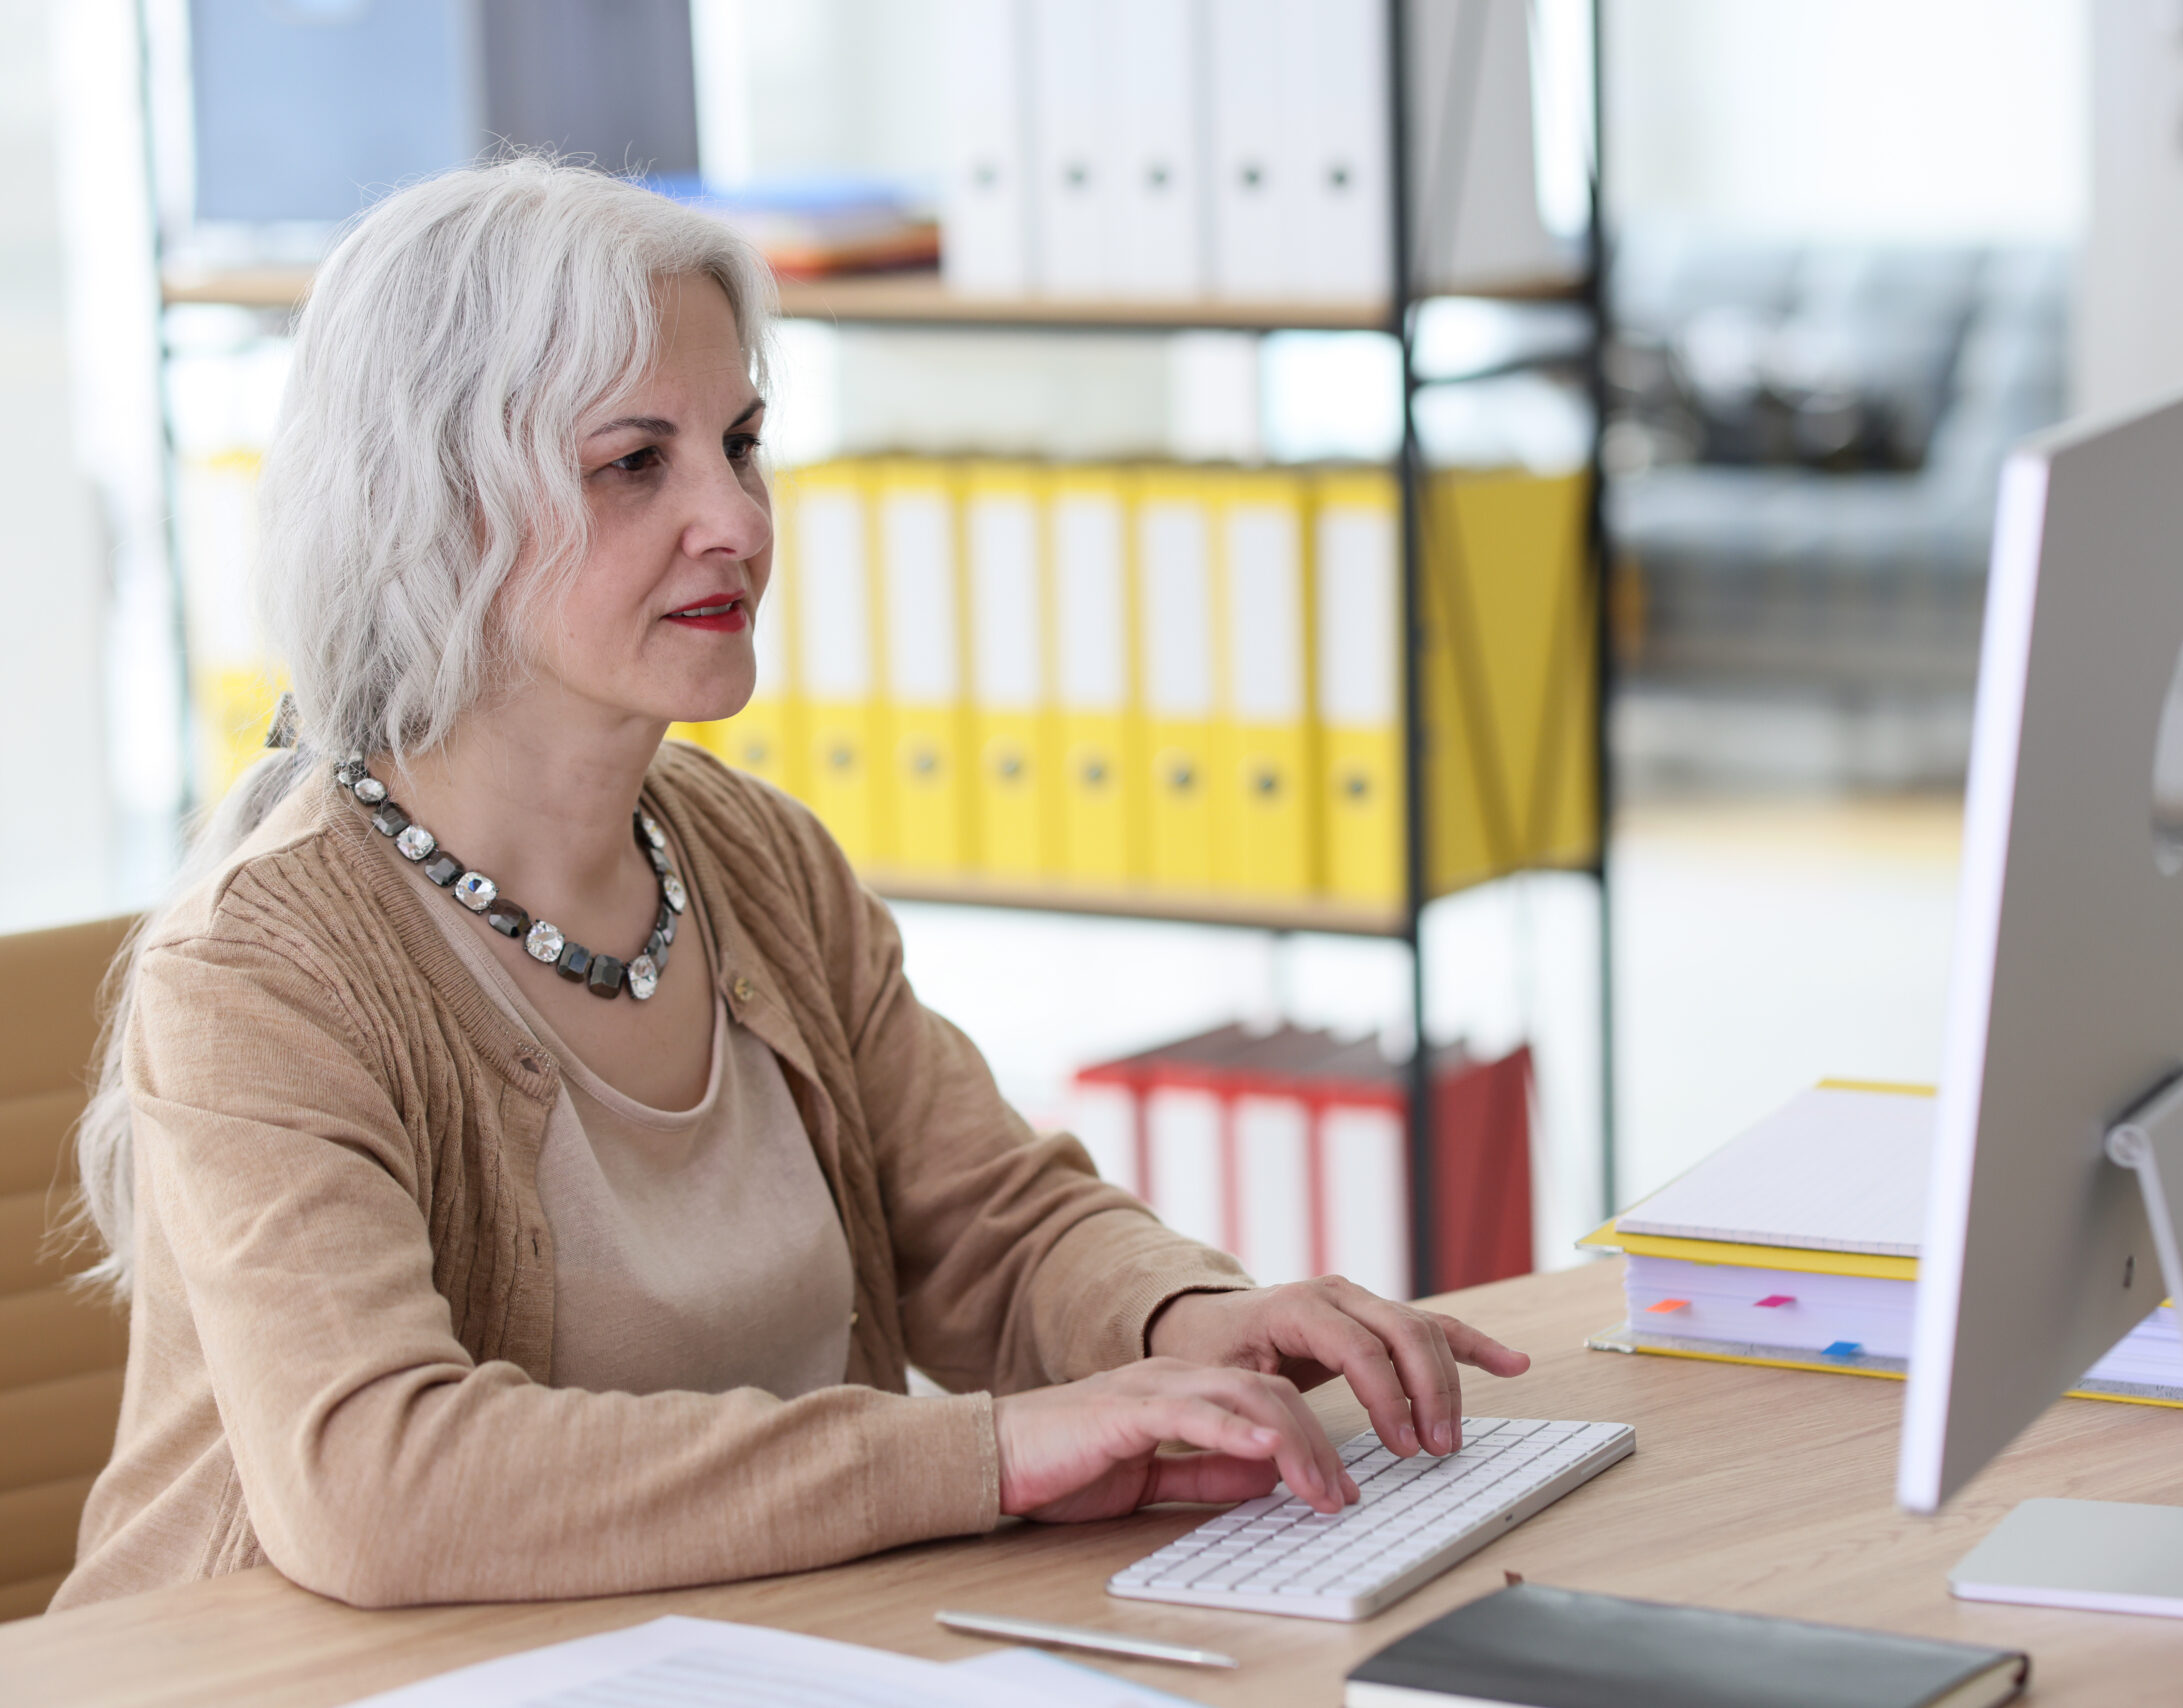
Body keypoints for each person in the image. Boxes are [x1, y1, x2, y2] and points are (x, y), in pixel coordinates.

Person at [53, 158, 1528, 1613]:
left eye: (741, 443)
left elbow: (986, 1222)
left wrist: (1186, 1315)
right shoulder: (263, 974)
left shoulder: (755, 856)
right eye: (637, 463)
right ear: (439, 513)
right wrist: (989, 1452)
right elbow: (381, 1483)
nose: (741, 522)